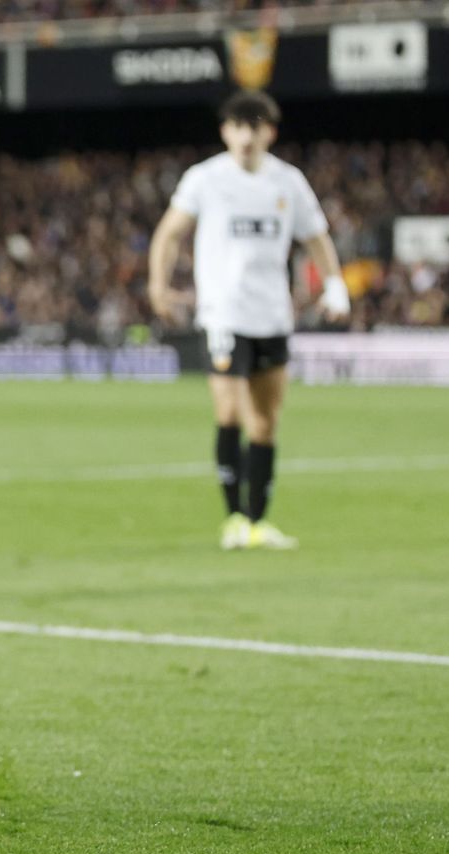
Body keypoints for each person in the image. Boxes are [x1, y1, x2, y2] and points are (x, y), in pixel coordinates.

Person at [147, 90, 349, 551]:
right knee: (229, 412)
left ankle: (257, 522)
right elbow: (169, 233)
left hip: (273, 315)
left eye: (254, 127)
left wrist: (335, 285)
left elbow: (317, 238)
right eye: (237, 127)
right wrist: (158, 285)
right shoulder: (205, 179)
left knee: (265, 423)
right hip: (224, 314)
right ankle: (233, 517)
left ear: (269, 133)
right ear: (225, 132)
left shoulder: (288, 182)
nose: (245, 136)